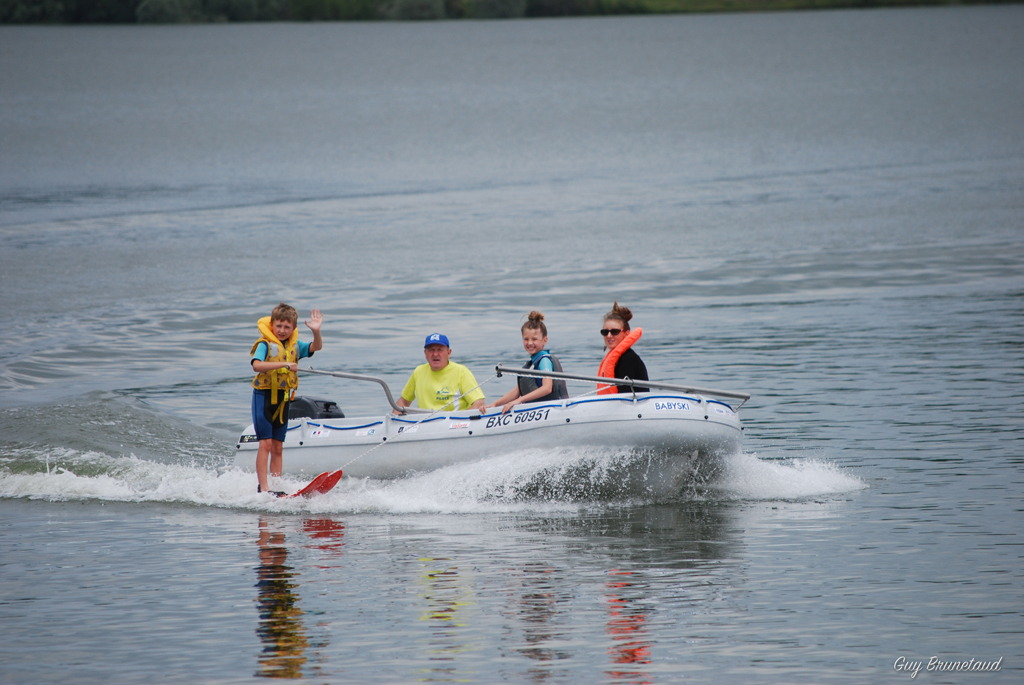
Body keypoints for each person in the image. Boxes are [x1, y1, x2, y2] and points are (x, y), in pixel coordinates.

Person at [250, 303, 323, 496]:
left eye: (287, 327)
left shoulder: (295, 346)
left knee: (278, 447)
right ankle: (264, 488)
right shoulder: (265, 345)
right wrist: (285, 364)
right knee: (265, 443)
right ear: (272, 325)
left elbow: (316, 347)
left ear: (293, 328)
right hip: (264, 398)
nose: (282, 330)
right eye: (279, 326)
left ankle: (276, 486)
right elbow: (256, 366)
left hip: (283, 400)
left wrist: (316, 331)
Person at [487, 311, 568, 414]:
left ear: (544, 340)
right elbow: (517, 392)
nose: (530, 343)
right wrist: (495, 404)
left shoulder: (544, 361)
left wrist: (519, 400)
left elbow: (547, 388)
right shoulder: (531, 365)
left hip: (554, 410)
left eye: (534, 339)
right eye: (526, 339)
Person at [395, 333, 487, 414]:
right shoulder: (418, 372)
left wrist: (455, 418)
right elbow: (403, 402)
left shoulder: (461, 372)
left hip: (454, 423)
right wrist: (394, 421)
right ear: (425, 353)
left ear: (449, 353)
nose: (435, 354)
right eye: (431, 350)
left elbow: (479, 404)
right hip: (425, 423)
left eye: (440, 350)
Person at [598, 301, 648, 394]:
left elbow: (625, 394)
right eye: (605, 332)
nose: (609, 336)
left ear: (627, 333)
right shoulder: (616, 357)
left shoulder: (629, 358)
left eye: (615, 332)